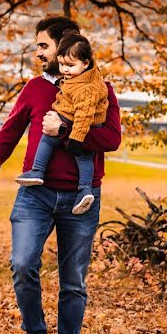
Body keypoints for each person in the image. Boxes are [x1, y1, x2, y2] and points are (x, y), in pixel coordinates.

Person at [0, 16, 121, 334]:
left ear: (66, 45)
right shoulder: (35, 89)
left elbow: (112, 139)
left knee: (73, 279)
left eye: (43, 45)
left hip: (82, 197)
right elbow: (6, 138)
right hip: (35, 195)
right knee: (22, 264)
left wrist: (64, 128)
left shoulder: (100, 90)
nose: (37, 53)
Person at [16, 31, 108, 215]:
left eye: (70, 66)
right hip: (74, 120)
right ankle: (77, 188)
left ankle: (77, 186)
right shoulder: (80, 77)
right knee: (68, 149)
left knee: (66, 148)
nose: (65, 70)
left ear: (86, 63)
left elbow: (84, 115)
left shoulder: (86, 88)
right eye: (62, 64)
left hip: (80, 124)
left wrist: (75, 137)